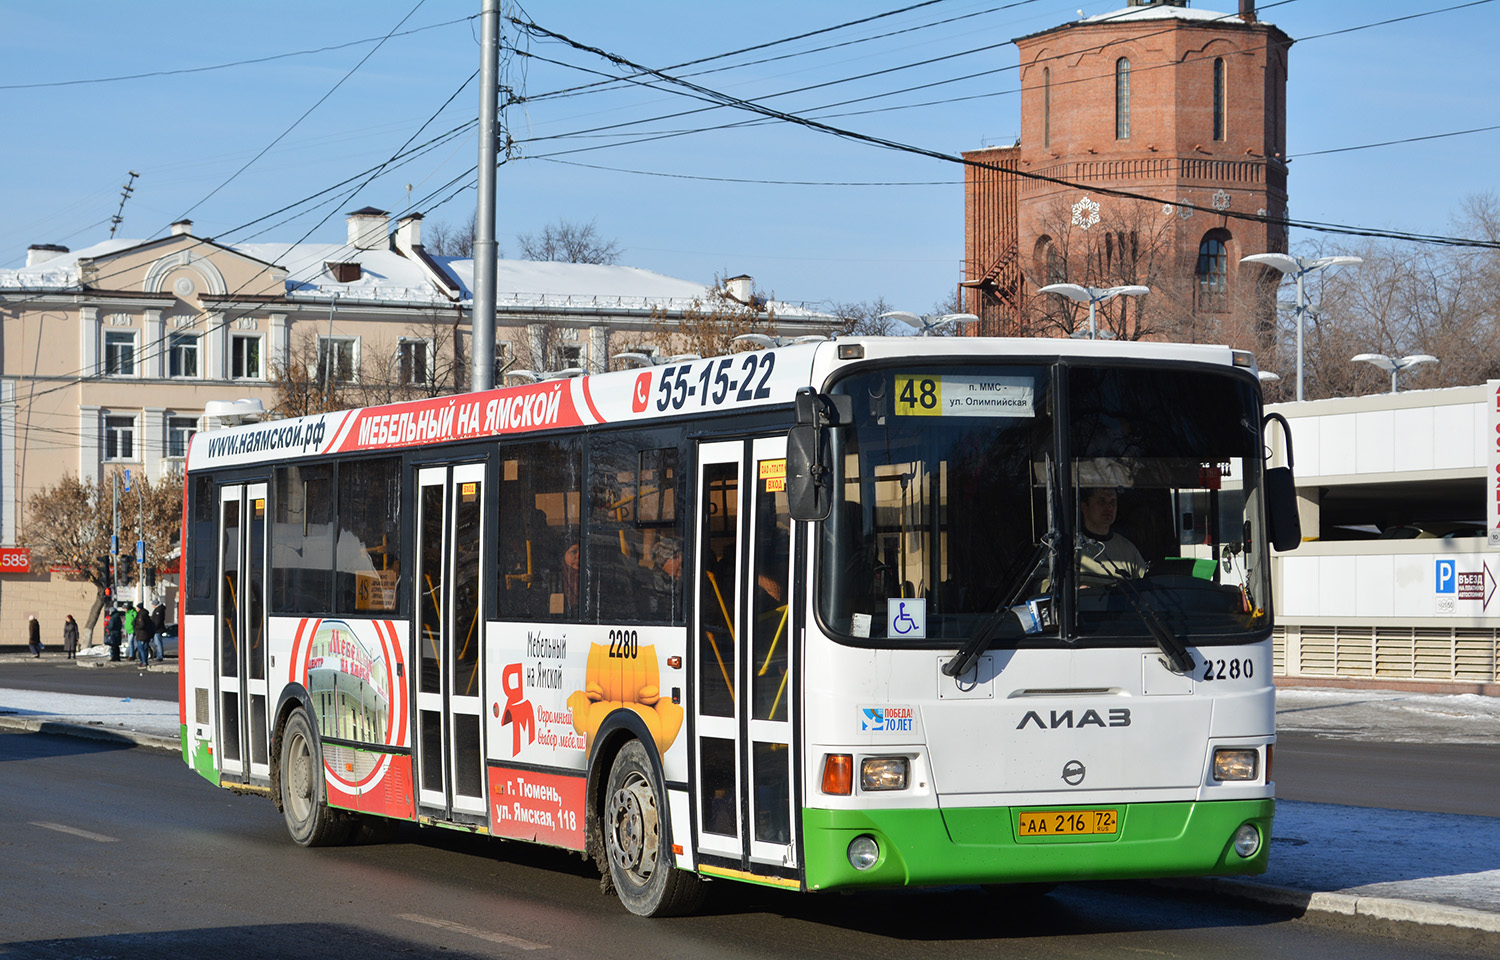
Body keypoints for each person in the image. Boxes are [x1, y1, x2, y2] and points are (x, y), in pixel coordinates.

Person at [1077, 487, 1147, 584]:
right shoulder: (1067, 545)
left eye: (1112, 503)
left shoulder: (1128, 550)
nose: (1109, 508)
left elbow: (1146, 587)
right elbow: (1049, 584)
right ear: (1084, 506)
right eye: (1101, 502)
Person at [643, 537, 683, 620]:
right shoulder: (648, 584)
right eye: (675, 557)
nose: (680, 561)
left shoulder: (683, 584)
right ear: (662, 562)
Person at [133, 602, 155, 667]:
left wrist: (135, 627)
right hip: (146, 635)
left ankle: (144, 661)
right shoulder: (146, 615)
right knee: (145, 649)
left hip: (142, 635)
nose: (136, 609)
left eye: (137, 607)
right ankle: (145, 661)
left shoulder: (141, 615)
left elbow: (141, 625)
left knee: (141, 649)